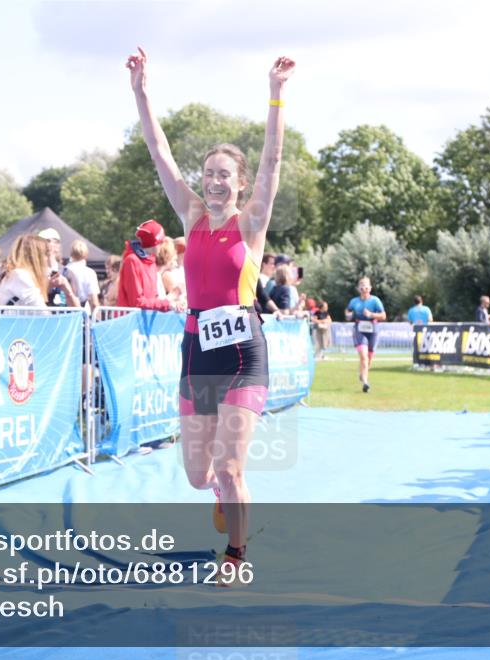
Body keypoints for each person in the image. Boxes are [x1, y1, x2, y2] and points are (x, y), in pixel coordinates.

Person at [128, 46, 294, 581]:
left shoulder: (250, 225)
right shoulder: (193, 215)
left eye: (225, 174)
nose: (215, 181)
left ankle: (236, 556)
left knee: (230, 465)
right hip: (198, 352)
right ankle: (223, 495)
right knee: (200, 476)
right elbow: (158, 149)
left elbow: (271, 162)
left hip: (243, 352)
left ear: (240, 183)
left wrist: (276, 95)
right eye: (208, 173)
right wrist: (141, 91)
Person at [117, 220, 184, 312]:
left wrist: (172, 304)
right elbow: (137, 303)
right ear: (154, 244)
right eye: (160, 242)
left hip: (146, 321)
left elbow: (154, 299)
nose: (162, 246)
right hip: (130, 322)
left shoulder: (151, 262)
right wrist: (167, 303)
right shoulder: (132, 261)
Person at [0, 234, 78, 307]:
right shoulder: (20, 275)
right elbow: (41, 311)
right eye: (46, 255)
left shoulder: (18, 274)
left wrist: (64, 288)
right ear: (36, 257)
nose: (47, 260)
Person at [345, 277, 386, 393]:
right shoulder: (354, 301)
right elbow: (348, 311)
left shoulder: (375, 301)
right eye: (361, 286)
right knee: (363, 356)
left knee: (368, 358)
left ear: (370, 288)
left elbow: (383, 316)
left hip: (373, 329)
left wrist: (371, 314)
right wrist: (348, 315)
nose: (364, 288)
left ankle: (363, 373)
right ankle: (365, 383)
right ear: (358, 289)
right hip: (359, 329)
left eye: (366, 286)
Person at [63, 239, 101, 310]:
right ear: (86, 255)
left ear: (71, 254)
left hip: (65, 310)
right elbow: (94, 301)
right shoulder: (90, 273)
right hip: (82, 311)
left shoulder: (64, 270)